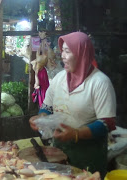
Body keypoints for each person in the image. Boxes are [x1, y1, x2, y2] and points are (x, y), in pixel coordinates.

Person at [29, 32, 116, 178]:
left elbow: (107, 123)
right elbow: (48, 106)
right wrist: (41, 117)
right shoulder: (59, 78)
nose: (62, 55)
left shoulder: (100, 82)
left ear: (81, 54)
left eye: (67, 51)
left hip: (88, 155)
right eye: (62, 50)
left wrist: (76, 133)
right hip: (59, 151)